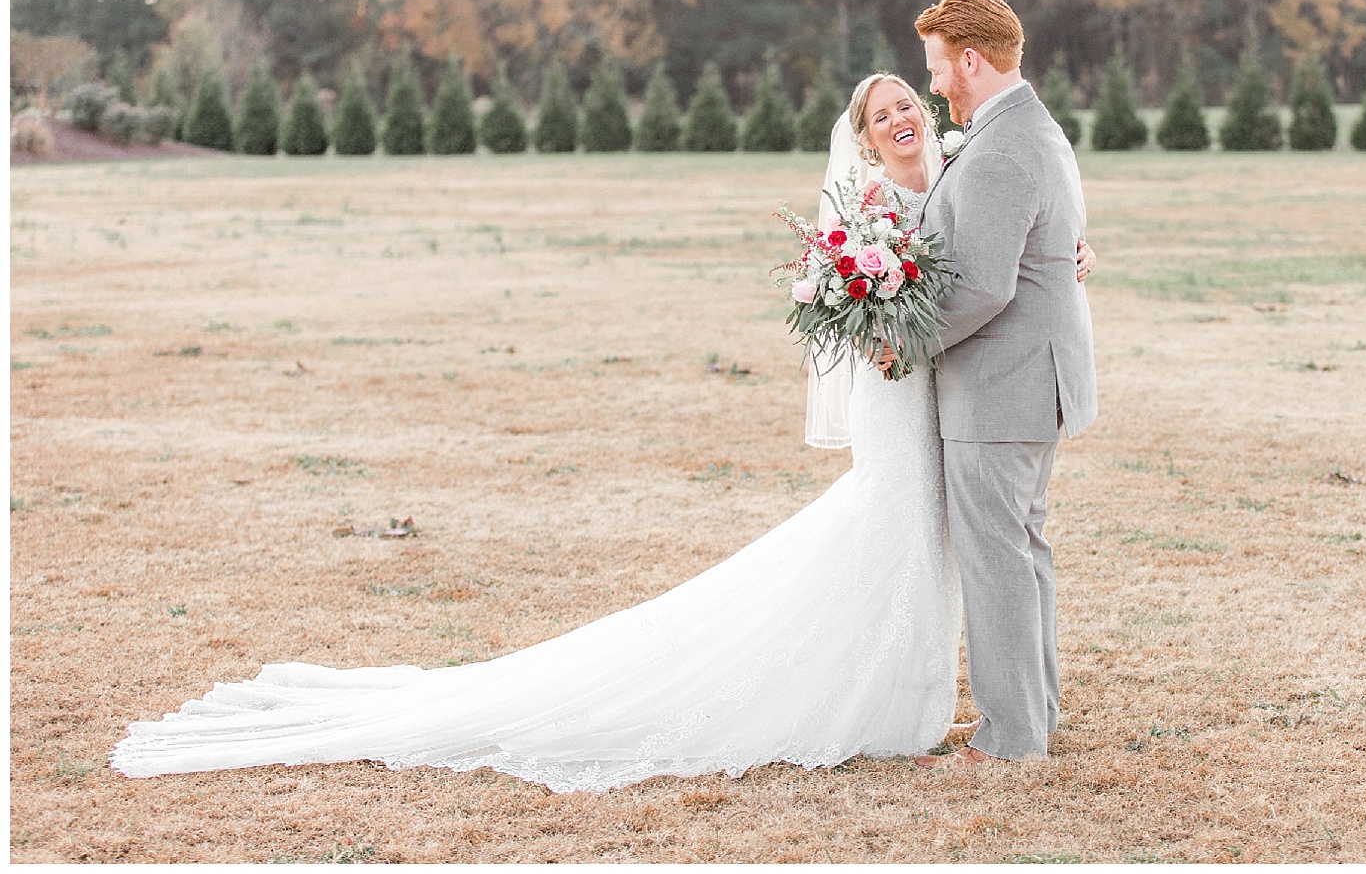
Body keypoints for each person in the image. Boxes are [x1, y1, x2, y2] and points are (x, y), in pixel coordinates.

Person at [112, 63, 1095, 794]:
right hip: (903, 387)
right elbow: (880, 292)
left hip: (948, 391)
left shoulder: (962, 168)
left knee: (932, 544)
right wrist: (885, 319)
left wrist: (1065, 252)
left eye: (907, 105)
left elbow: (996, 241)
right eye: (882, 114)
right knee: (891, 534)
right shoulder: (869, 205)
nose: (900, 117)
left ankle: (935, 701)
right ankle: (865, 697)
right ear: (865, 138)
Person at [906, 0, 1098, 768]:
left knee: (996, 556)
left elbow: (983, 284)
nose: (934, 85)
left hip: (1001, 385)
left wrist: (905, 340)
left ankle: (1012, 736)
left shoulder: (1001, 146)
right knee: (1020, 548)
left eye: (939, 68)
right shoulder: (1028, 129)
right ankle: (1031, 714)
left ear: (972, 59)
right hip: (1028, 381)